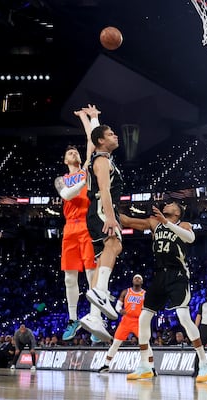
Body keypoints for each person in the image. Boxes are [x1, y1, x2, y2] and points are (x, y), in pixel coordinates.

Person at [119, 202, 207, 383]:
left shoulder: (183, 225)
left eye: (170, 204)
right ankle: (145, 365)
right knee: (143, 318)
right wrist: (109, 209)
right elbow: (129, 221)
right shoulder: (155, 223)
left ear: (177, 212)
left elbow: (190, 238)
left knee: (183, 317)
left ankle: (204, 363)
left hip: (177, 275)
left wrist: (167, 223)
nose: (166, 205)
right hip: (159, 275)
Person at [55, 105, 103, 342]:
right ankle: (73, 319)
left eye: (76, 151)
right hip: (69, 229)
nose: (74, 153)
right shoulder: (62, 179)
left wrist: (88, 118)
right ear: (65, 160)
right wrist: (83, 181)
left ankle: (95, 317)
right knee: (69, 278)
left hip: (86, 225)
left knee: (91, 274)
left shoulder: (86, 169)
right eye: (70, 153)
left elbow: (91, 141)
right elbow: (66, 195)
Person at [80, 117, 124, 342]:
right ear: (100, 140)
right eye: (110, 134)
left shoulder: (100, 157)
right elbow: (105, 191)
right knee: (113, 244)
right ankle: (100, 292)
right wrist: (110, 217)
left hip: (99, 211)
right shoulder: (102, 161)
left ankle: (94, 315)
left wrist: (90, 118)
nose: (115, 136)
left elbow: (91, 136)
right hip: (101, 209)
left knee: (102, 260)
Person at [97, 274, 155, 375]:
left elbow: (149, 308)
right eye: (135, 278)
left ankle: (152, 368)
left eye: (139, 278)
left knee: (146, 345)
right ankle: (106, 365)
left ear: (141, 282)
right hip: (126, 321)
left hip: (138, 322)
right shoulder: (126, 292)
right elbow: (118, 305)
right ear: (133, 281)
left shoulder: (145, 294)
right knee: (115, 343)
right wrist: (120, 310)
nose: (137, 279)